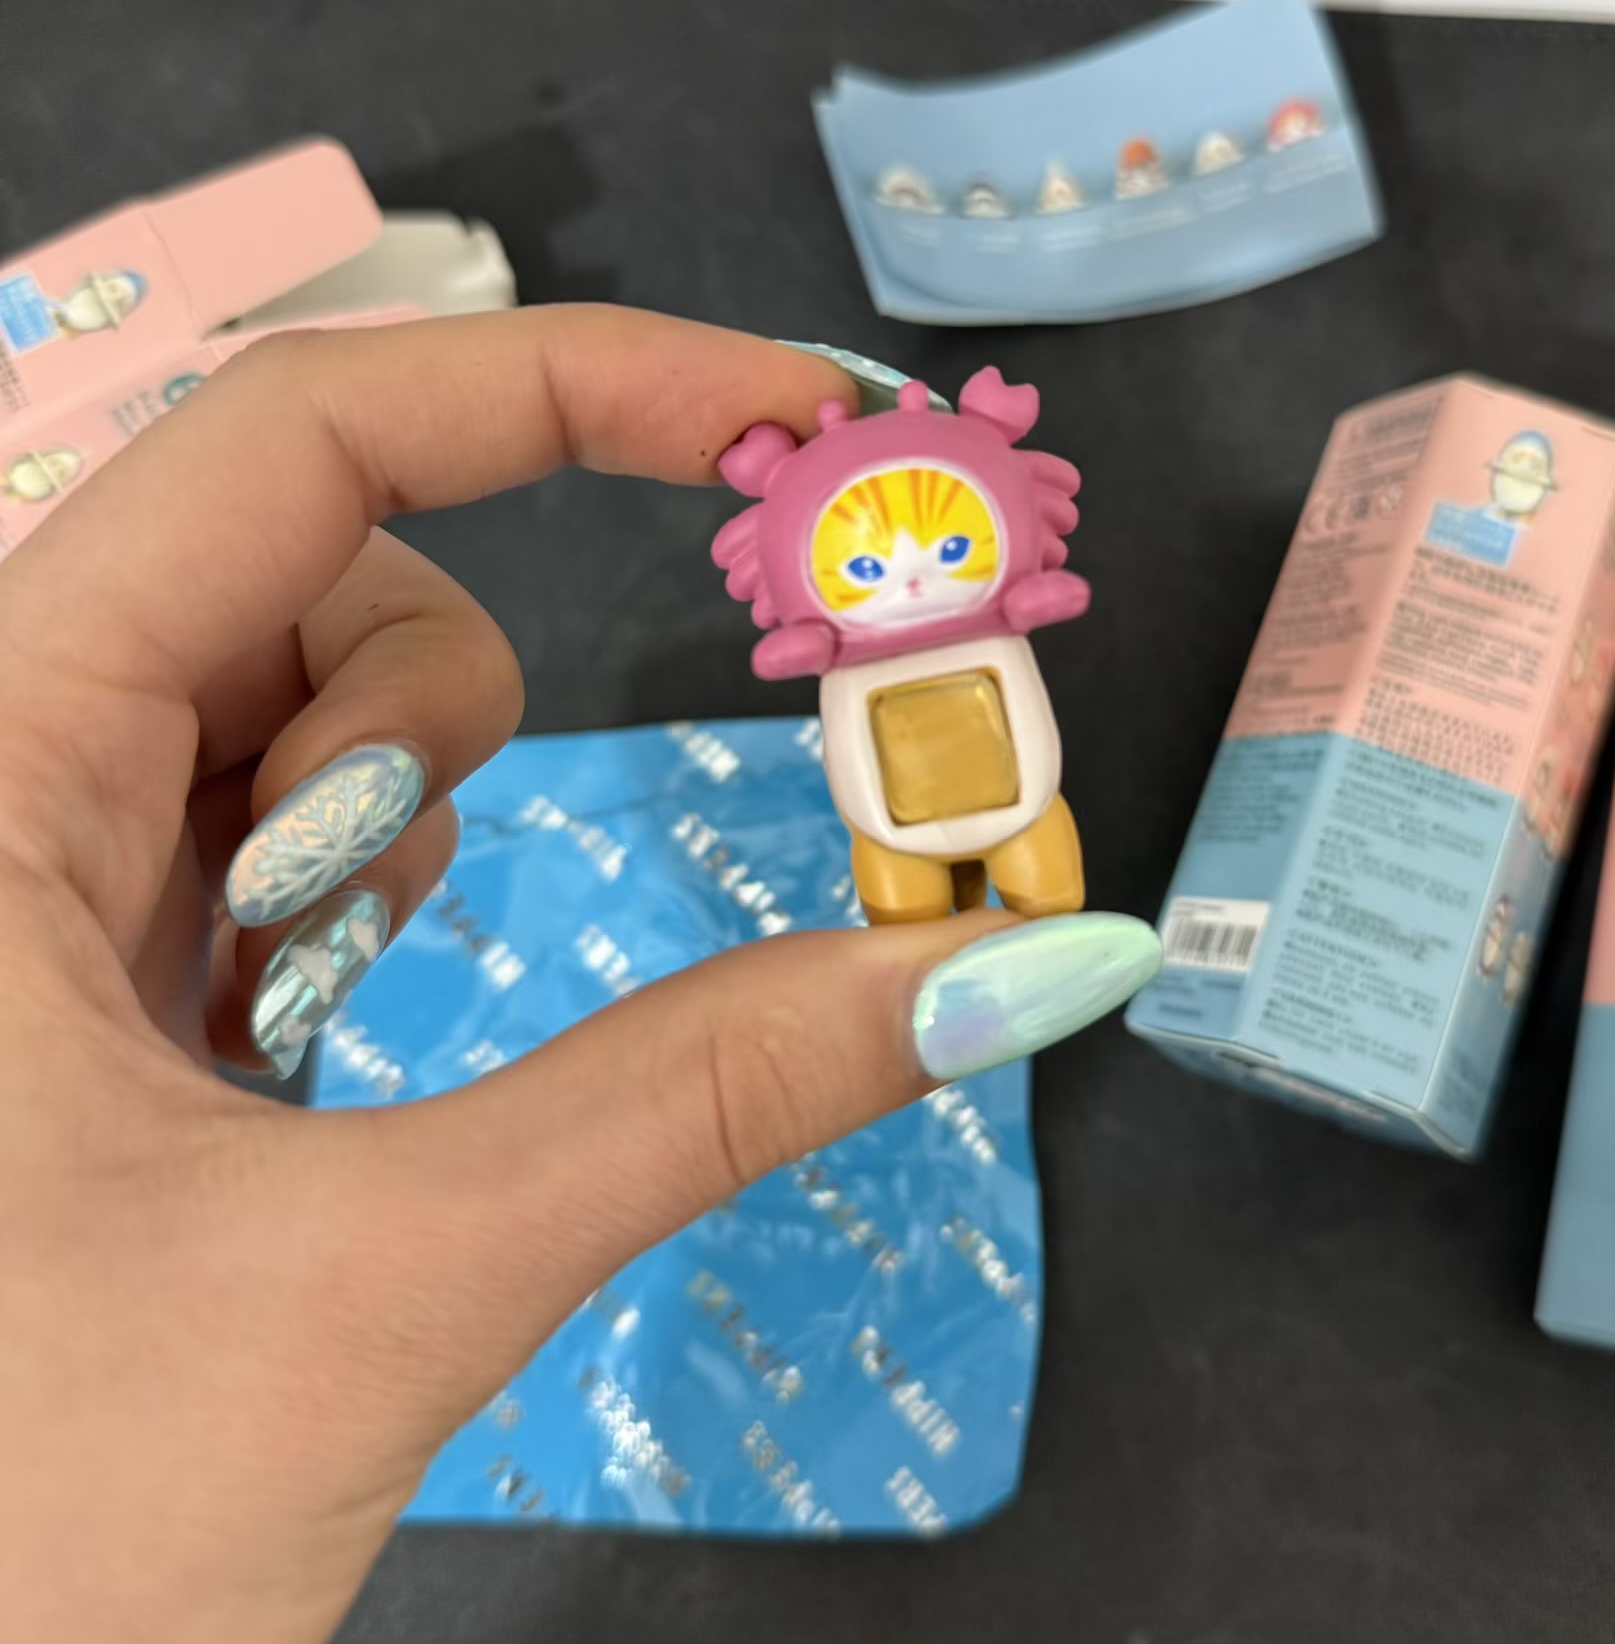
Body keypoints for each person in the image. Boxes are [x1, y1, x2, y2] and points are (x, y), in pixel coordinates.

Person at [0, 306, 1161, 1643]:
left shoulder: (972, 645)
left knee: (1028, 862)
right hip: (901, 817)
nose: (905, 578)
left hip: (1004, 790)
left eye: (946, 547)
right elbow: (863, 771)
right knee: (904, 891)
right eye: (866, 557)